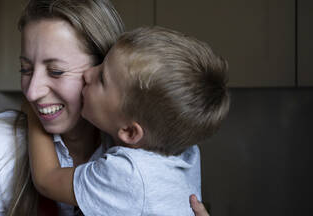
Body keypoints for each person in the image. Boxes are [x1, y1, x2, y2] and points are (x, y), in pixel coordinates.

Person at [0, 0, 204, 215]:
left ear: (104, 66)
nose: (31, 92)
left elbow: (46, 179)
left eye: (56, 71)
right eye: (25, 69)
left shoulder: (162, 150)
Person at [25, 26, 230, 215]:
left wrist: (35, 107)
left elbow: (46, 179)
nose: (88, 73)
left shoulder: (128, 175)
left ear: (131, 132)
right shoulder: (185, 151)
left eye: (102, 79)